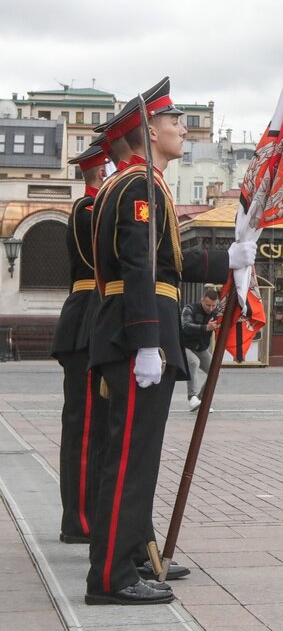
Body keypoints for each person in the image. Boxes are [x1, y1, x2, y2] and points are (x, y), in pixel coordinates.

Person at [86, 81, 254, 605]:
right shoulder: (139, 186)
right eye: (174, 121)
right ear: (149, 131)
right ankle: (111, 576)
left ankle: (133, 553)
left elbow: (167, 264)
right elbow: (139, 267)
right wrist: (145, 342)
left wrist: (228, 260)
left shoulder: (142, 183)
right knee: (130, 459)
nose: (182, 129)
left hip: (138, 326)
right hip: (138, 330)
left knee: (137, 455)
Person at [51, 144, 108, 545]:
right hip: (88, 317)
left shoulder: (93, 207)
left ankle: (85, 514)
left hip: (91, 315)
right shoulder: (89, 210)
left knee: (92, 427)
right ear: (102, 175)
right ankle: (80, 521)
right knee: (85, 428)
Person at [180, 287, 220, 411]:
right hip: (184, 345)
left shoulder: (216, 313)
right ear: (201, 300)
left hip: (201, 348)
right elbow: (185, 326)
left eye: (213, 305)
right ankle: (192, 397)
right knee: (193, 362)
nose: (211, 308)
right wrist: (205, 327)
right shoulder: (190, 309)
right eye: (208, 305)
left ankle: (202, 400)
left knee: (215, 371)